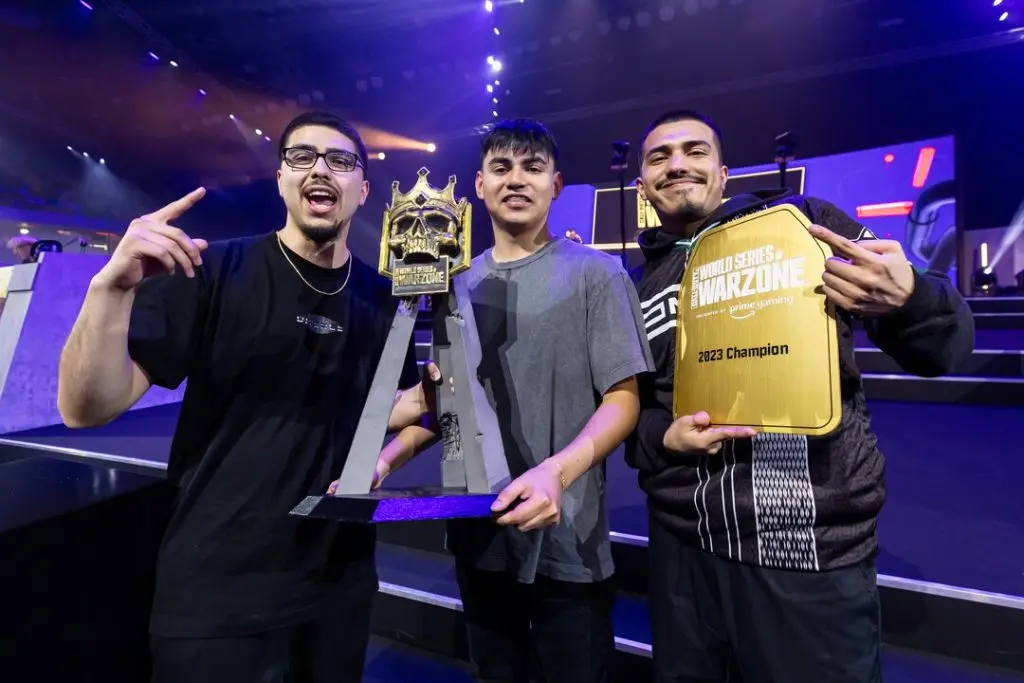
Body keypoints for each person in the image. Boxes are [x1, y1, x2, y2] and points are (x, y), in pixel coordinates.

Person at [57, 111, 437, 683]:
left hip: (337, 590)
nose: (321, 171)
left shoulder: (387, 303)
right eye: (302, 157)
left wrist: (384, 457)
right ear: (282, 177)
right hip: (216, 593)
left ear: (363, 188)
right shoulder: (213, 272)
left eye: (340, 161)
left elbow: (414, 410)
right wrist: (107, 289)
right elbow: (84, 409)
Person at [626, 109, 974, 683]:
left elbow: (943, 349)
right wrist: (659, 434)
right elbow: (632, 407)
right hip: (681, 550)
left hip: (803, 548)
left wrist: (911, 298)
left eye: (694, 151)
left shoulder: (801, 224)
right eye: (659, 157)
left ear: (723, 171)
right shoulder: (633, 284)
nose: (677, 164)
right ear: (642, 183)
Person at [367, 119, 655, 683]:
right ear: (479, 184)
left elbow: (624, 401)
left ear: (557, 184)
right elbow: (447, 406)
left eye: (532, 167)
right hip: (481, 534)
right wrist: (381, 462)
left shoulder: (598, 275)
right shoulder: (454, 283)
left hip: (567, 539)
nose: (516, 180)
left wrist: (558, 472)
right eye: (501, 168)